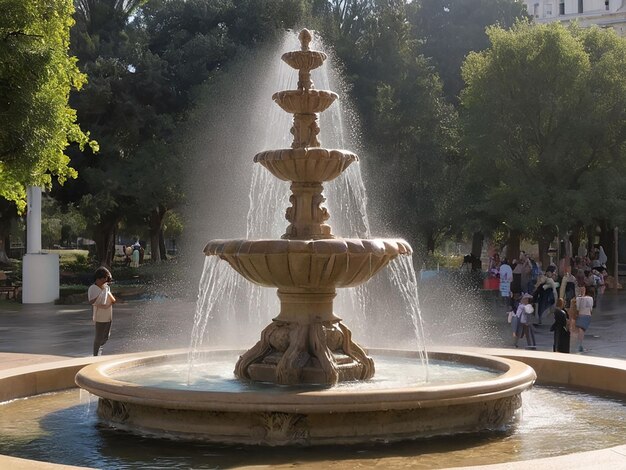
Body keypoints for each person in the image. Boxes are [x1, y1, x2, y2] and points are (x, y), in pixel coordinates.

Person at [88, 266, 116, 356]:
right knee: (99, 337)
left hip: (108, 314)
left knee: (106, 337)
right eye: (104, 279)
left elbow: (112, 299)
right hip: (100, 315)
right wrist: (101, 295)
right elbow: (92, 301)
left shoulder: (106, 287)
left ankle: (98, 349)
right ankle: (95, 354)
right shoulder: (93, 288)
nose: (106, 281)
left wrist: (106, 293)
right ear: (99, 278)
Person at [574, 287, 593, 353]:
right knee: (580, 330)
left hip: (584, 315)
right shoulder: (580, 298)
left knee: (581, 330)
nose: (582, 291)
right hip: (584, 315)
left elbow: (578, 308)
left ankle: (580, 345)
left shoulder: (587, 298)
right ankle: (579, 345)